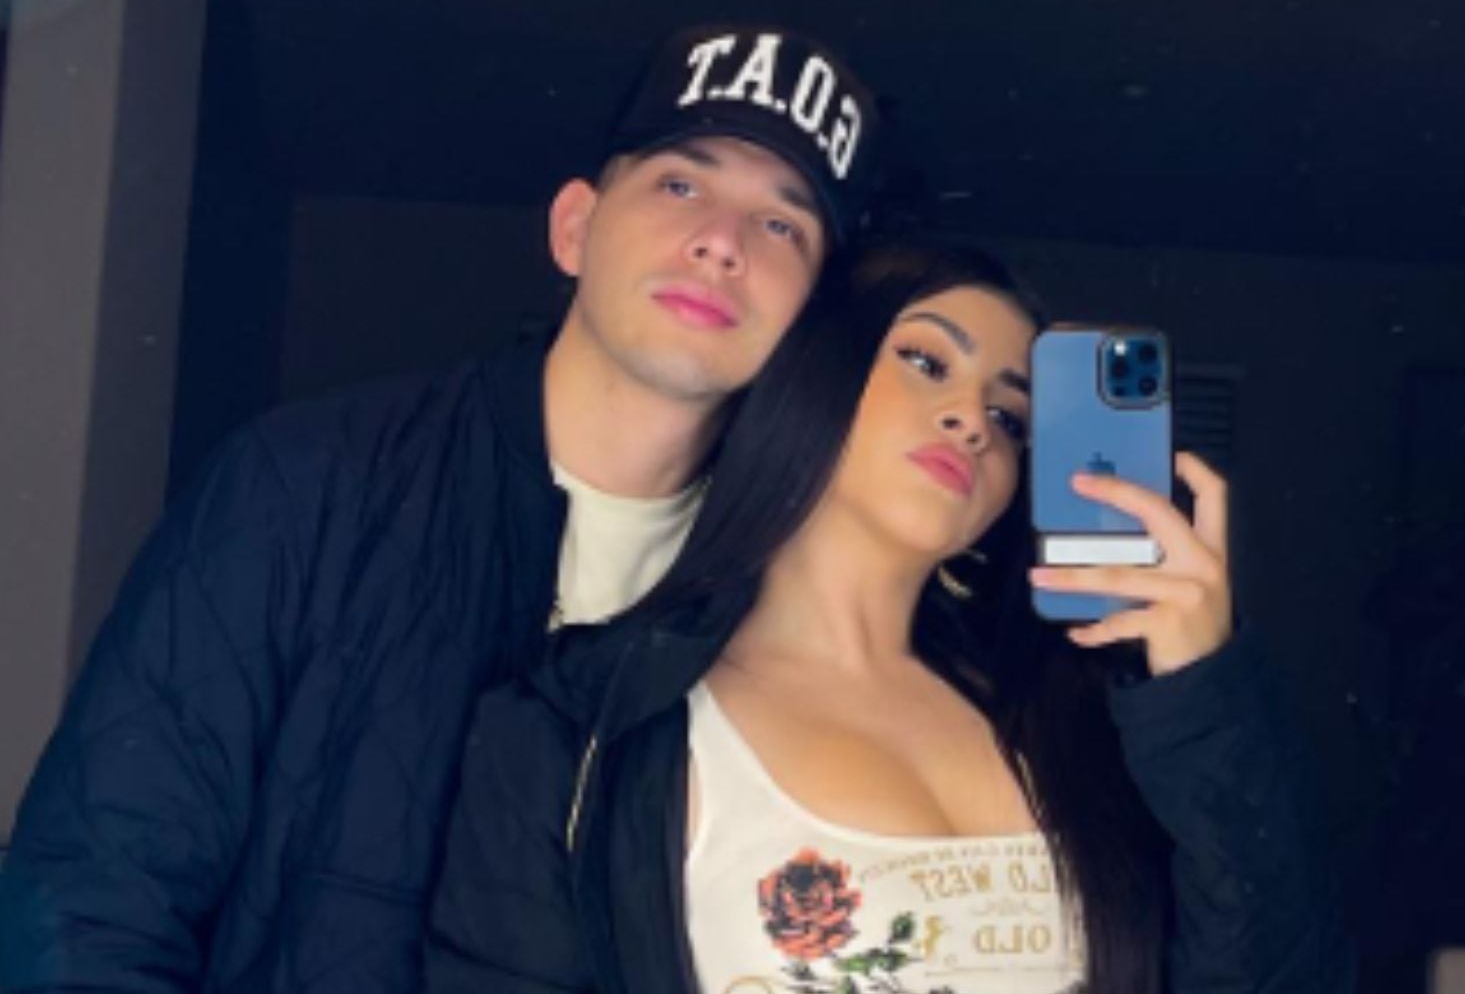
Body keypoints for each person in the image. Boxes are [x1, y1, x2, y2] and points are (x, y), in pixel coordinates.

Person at [0, 24, 882, 993]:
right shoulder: (308, 486)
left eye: (782, 225)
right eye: (680, 184)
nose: (722, 243)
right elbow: (95, 898)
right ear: (575, 228)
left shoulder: (795, 592)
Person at [425, 242, 1356, 993]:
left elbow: (1277, 970)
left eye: (1012, 415)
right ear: (812, 376)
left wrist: (1202, 687)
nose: (973, 420)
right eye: (926, 361)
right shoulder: (580, 728)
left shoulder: (1068, 713)